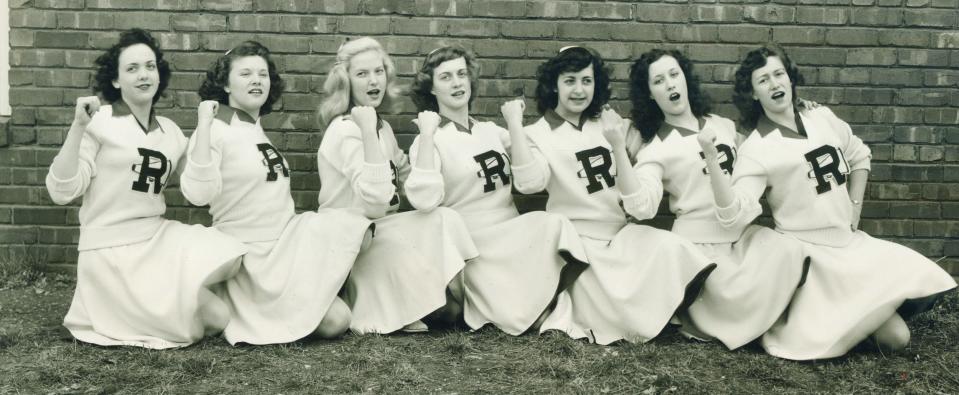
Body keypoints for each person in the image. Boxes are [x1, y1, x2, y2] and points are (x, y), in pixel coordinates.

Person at [721, 44, 957, 360]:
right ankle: (816, 311)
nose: (775, 84)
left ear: (791, 79)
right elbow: (740, 207)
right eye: (763, 80)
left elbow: (860, 155)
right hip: (813, 258)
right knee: (894, 338)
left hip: (851, 245)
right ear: (753, 94)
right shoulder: (756, 149)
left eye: (779, 74)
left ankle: (853, 310)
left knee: (899, 336)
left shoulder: (821, 116)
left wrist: (855, 206)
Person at [45, 29, 246, 349]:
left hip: (156, 238)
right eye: (132, 68)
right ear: (115, 80)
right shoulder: (99, 121)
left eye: (150, 66)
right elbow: (62, 190)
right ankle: (156, 301)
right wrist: (78, 126)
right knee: (216, 318)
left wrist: (205, 126)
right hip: (111, 250)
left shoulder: (170, 131)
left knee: (231, 257)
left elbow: (199, 192)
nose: (143, 75)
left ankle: (181, 294)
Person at [510, 46, 716, 345]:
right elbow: (529, 182)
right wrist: (516, 125)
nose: (579, 90)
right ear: (554, 84)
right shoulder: (537, 132)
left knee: (671, 246)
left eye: (587, 80)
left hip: (620, 236)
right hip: (578, 244)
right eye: (570, 81)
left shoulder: (609, 123)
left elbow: (658, 131)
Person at [181, 41, 371, 345]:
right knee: (335, 321)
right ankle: (238, 305)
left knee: (355, 238)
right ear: (225, 85)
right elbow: (197, 194)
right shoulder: (215, 129)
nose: (257, 80)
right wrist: (203, 127)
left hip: (283, 245)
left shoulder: (255, 130)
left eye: (262, 74)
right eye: (245, 74)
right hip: (250, 257)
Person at [626, 48, 809, 349]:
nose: (671, 84)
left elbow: (761, 154)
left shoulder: (721, 124)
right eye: (659, 81)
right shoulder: (655, 149)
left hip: (741, 238)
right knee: (735, 297)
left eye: (675, 74)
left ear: (686, 79)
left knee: (788, 250)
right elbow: (642, 205)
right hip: (701, 250)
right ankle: (711, 317)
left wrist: (800, 110)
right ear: (649, 94)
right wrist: (622, 153)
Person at [404, 46, 589, 335]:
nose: (457, 83)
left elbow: (531, 180)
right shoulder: (430, 139)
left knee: (553, 222)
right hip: (474, 245)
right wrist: (426, 135)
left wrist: (515, 124)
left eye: (462, 74)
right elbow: (423, 199)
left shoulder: (491, 131)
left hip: (511, 233)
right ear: (432, 88)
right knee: (521, 317)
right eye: (446, 77)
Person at [317, 37, 478, 334]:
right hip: (353, 241)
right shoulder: (344, 130)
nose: (373, 81)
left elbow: (405, 176)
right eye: (362, 74)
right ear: (346, 81)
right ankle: (375, 302)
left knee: (443, 218)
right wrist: (365, 130)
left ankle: (469, 302)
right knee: (444, 304)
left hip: (382, 233)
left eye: (378, 72)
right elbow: (375, 201)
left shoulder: (383, 127)